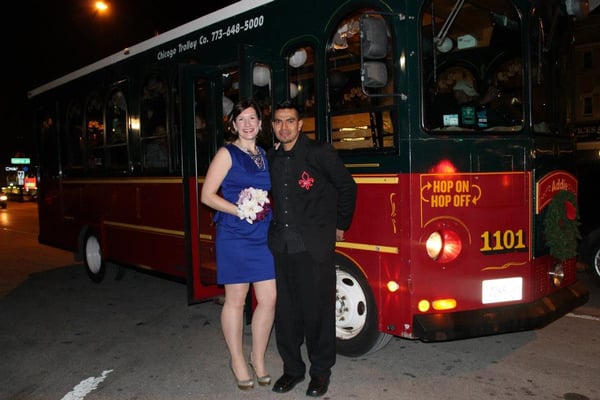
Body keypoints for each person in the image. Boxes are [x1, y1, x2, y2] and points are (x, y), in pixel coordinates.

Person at [267, 100, 357, 397]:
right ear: (273, 126)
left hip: (314, 247)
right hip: (282, 247)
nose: (284, 127)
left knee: (318, 312)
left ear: (300, 124)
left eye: (290, 121)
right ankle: (292, 370)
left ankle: (320, 372)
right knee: (287, 314)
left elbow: (347, 186)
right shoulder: (271, 158)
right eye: (279, 122)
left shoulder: (319, 153)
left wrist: (340, 224)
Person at [200, 98, 276, 391]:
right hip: (234, 234)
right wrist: (239, 209)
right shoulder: (227, 153)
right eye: (241, 119)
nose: (247, 124)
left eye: (252, 118)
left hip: (262, 234)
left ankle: (258, 357)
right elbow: (207, 195)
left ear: (260, 123)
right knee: (237, 299)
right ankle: (237, 360)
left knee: (269, 298)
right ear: (233, 124)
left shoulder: (265, 155)